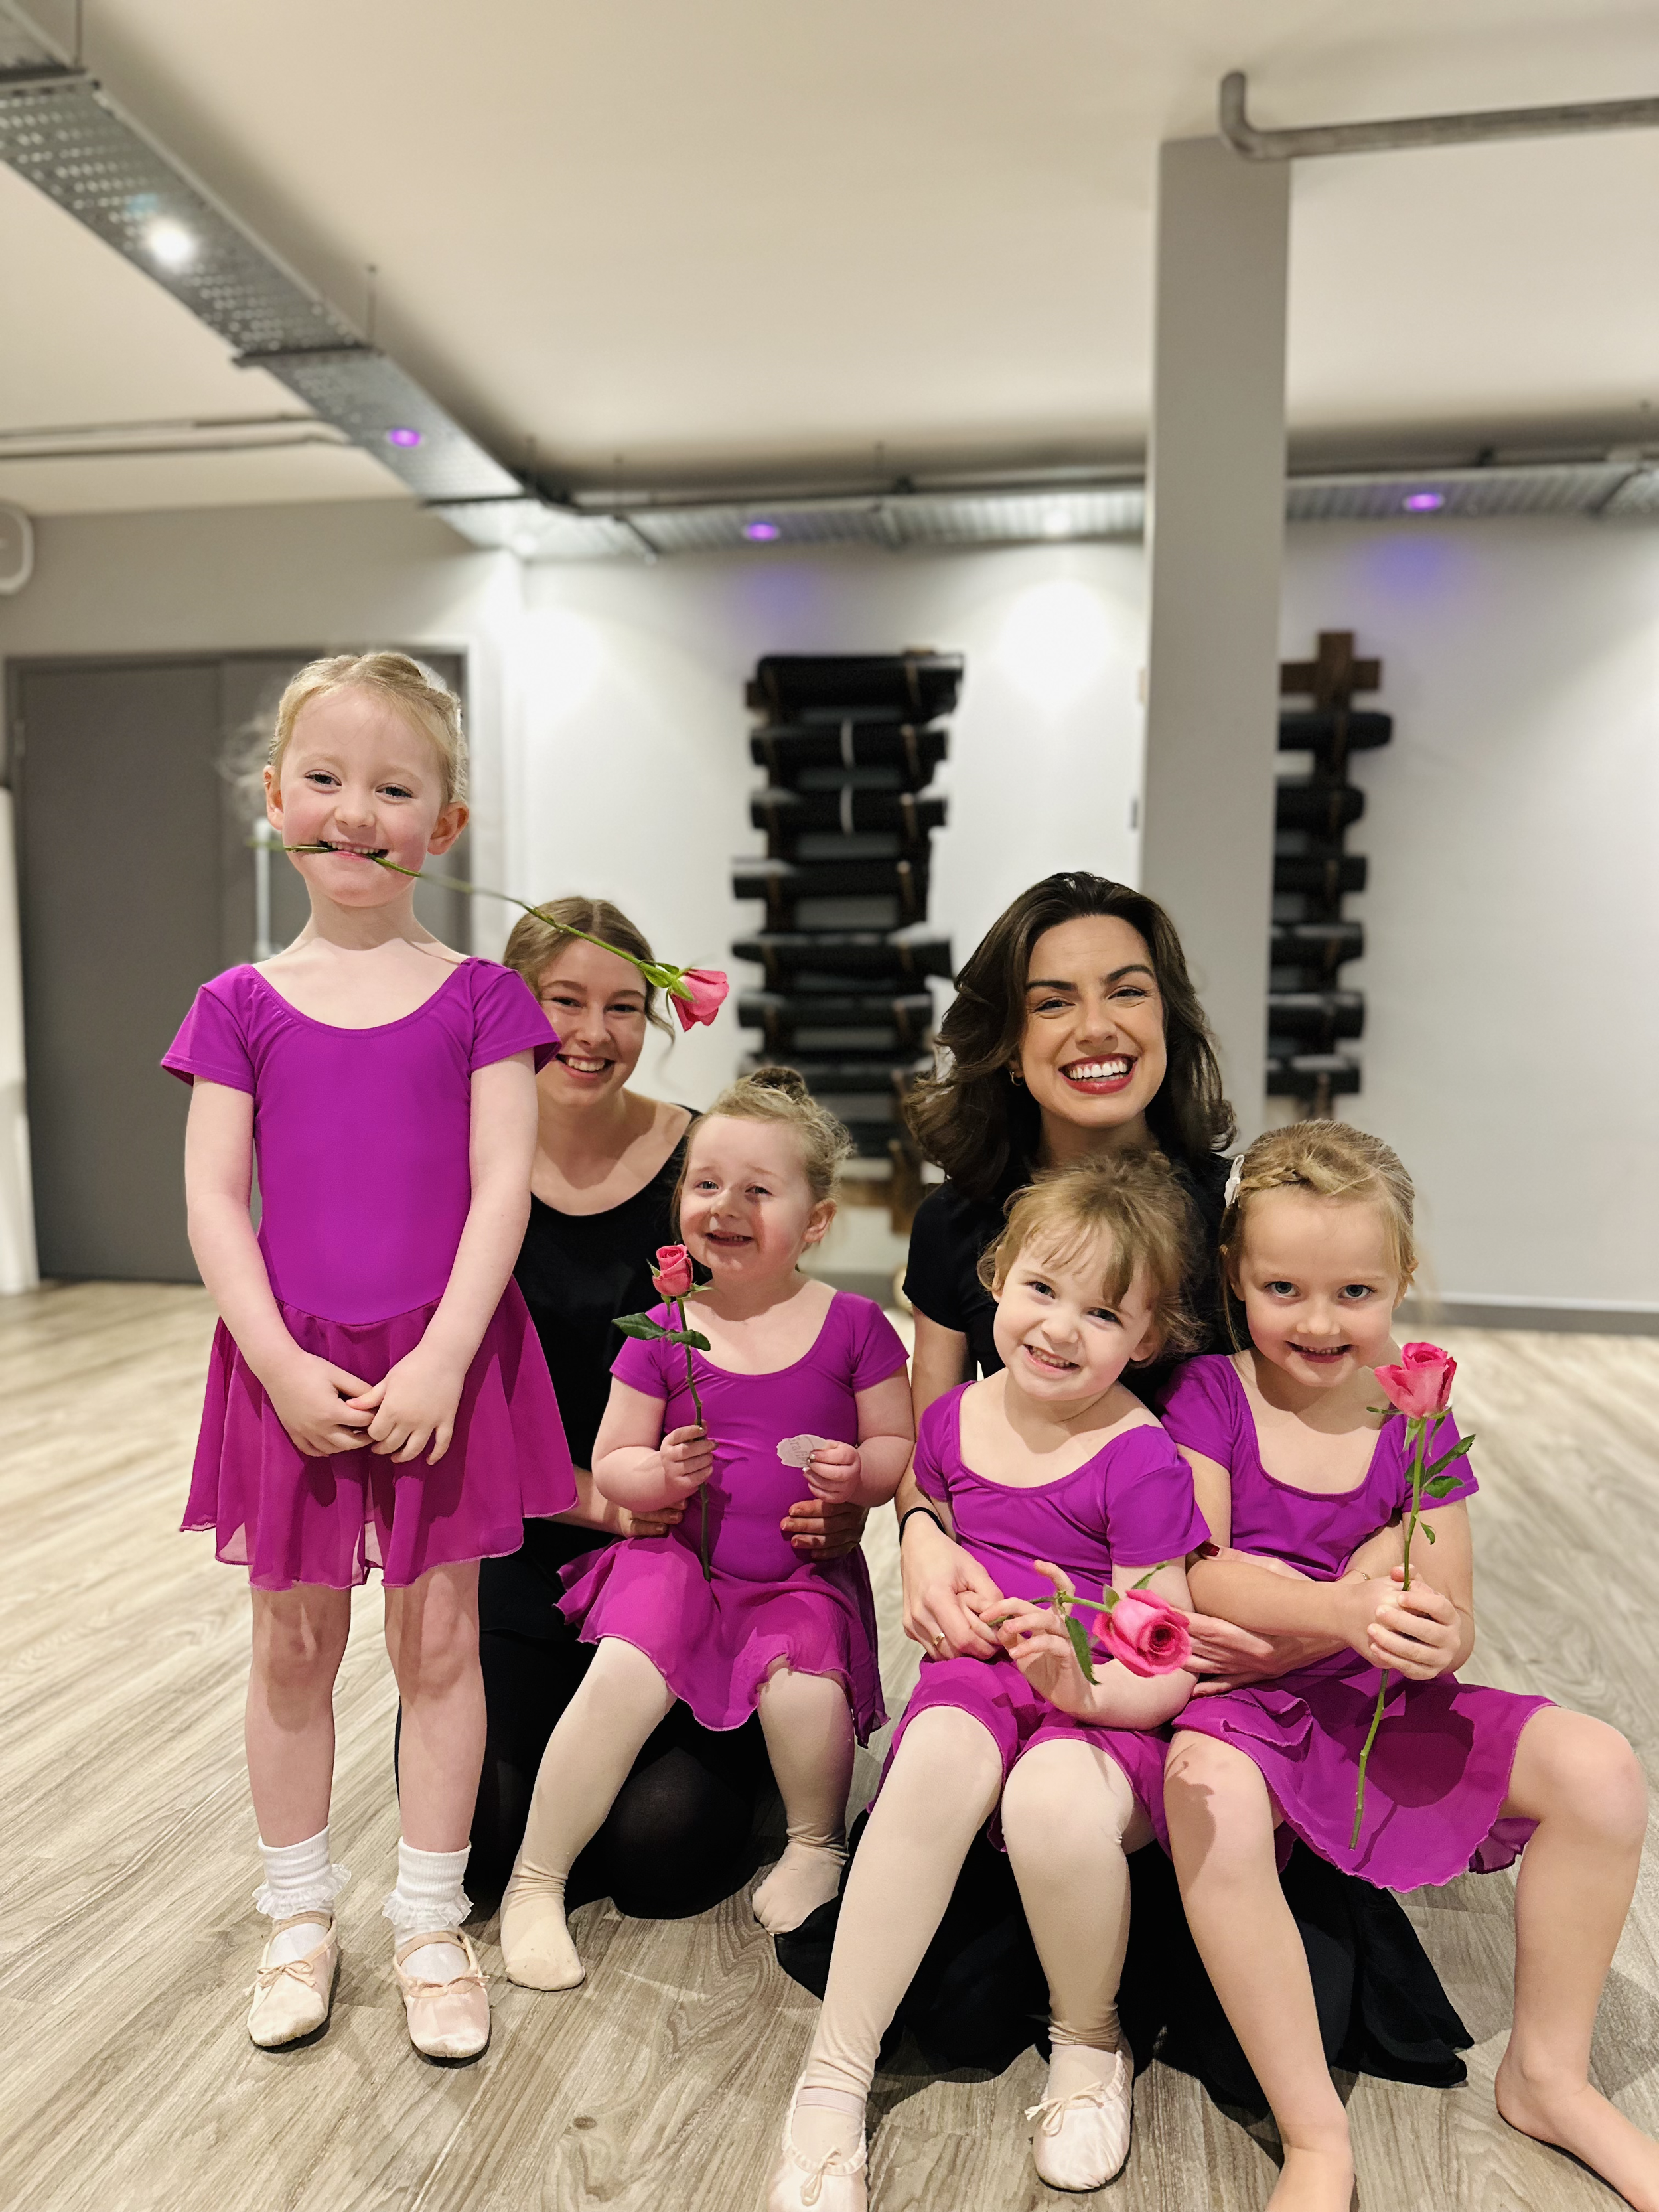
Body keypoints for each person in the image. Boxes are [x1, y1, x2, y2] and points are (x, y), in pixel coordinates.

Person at [779, 869, 1468, 2106]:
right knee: (958, 2001)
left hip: (1219, 1657)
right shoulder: (960, 1230)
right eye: (1054, 1001)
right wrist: (925, 1538)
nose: (1095, 1028)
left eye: (1126, 991)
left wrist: (1334, 1604)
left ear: (1170, 1015)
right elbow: (934, 1437)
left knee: (1282, 2033)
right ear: (1009, 1036)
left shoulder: (1233, 1217)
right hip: (1030, 1652)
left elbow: (1338, 1425)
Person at [164, 652, 573, 2062]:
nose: (357, 812)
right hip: (288, 1362)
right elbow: (218, 1196)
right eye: (326, 781)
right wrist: (273, 1360)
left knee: (440, 1635)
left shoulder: (478, 1000)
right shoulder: (239, 1002)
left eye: (394, 788)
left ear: (442, 824)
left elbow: (502, 1187)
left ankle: (425, 1914)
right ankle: (296, 1910)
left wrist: (449, 1355)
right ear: (274, 800)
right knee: (289, 1636)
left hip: (441, 1359)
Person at [1162, 1122, 1658, 2212]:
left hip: (1367, 1700)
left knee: (1602, 1770)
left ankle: (1551, 2076)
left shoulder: (1417, 1420)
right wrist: (1347, 1597)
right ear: (1237, 1276)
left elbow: (1453, 1608)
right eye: (1283, 1286)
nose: (1319, 1320)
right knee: (1213, 1800)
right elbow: (1202, 1574)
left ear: (1402, 1284)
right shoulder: (1212, 1395)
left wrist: (1429, 1623)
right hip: (1239, 1708)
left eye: (1354, 1291)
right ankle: (1315, 2134)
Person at [767, 1155, 1209, 2212]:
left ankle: (1090, 2040)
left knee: (1052, 1803)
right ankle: (832, 2076)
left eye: (1103, 1313)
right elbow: (937, 1539)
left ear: (1146, 1339)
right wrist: (941, 1594)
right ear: (998, 1278)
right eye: (1043, 1291)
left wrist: (1086, 1684)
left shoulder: (1142, 1460)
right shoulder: (951, 1425)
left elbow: (1169, 1658)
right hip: (976, 1684)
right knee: (929, 1761)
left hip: (1100, 1711)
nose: (1059, 1329)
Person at [465, 899, 865, 1915]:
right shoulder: (463, 1159)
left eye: (625, 1007)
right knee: (486, 1851)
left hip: (688, 1558)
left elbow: (791, 1369)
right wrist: (597, 1501)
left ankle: (774, 1734)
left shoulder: (704, 1177)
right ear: (511, 999)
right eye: (564, 1000)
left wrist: (844, 1493)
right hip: (521, 1540)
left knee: (660, 1859)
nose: (594, 1035)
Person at [499, 1069, 914, 1991]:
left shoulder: (854, 1327)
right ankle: (537, 1878)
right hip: (676, 1561)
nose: (724, 1206)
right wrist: (656, 1473)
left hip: (795, 1574)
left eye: (758, 1190)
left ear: (815, 1223)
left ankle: (816, 1842)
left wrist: (861, 1474)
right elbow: (611, 1462)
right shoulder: (662, 1328)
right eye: (705, 1184)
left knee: (806, 1689)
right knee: (617, 1679)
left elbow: (895, 1443)